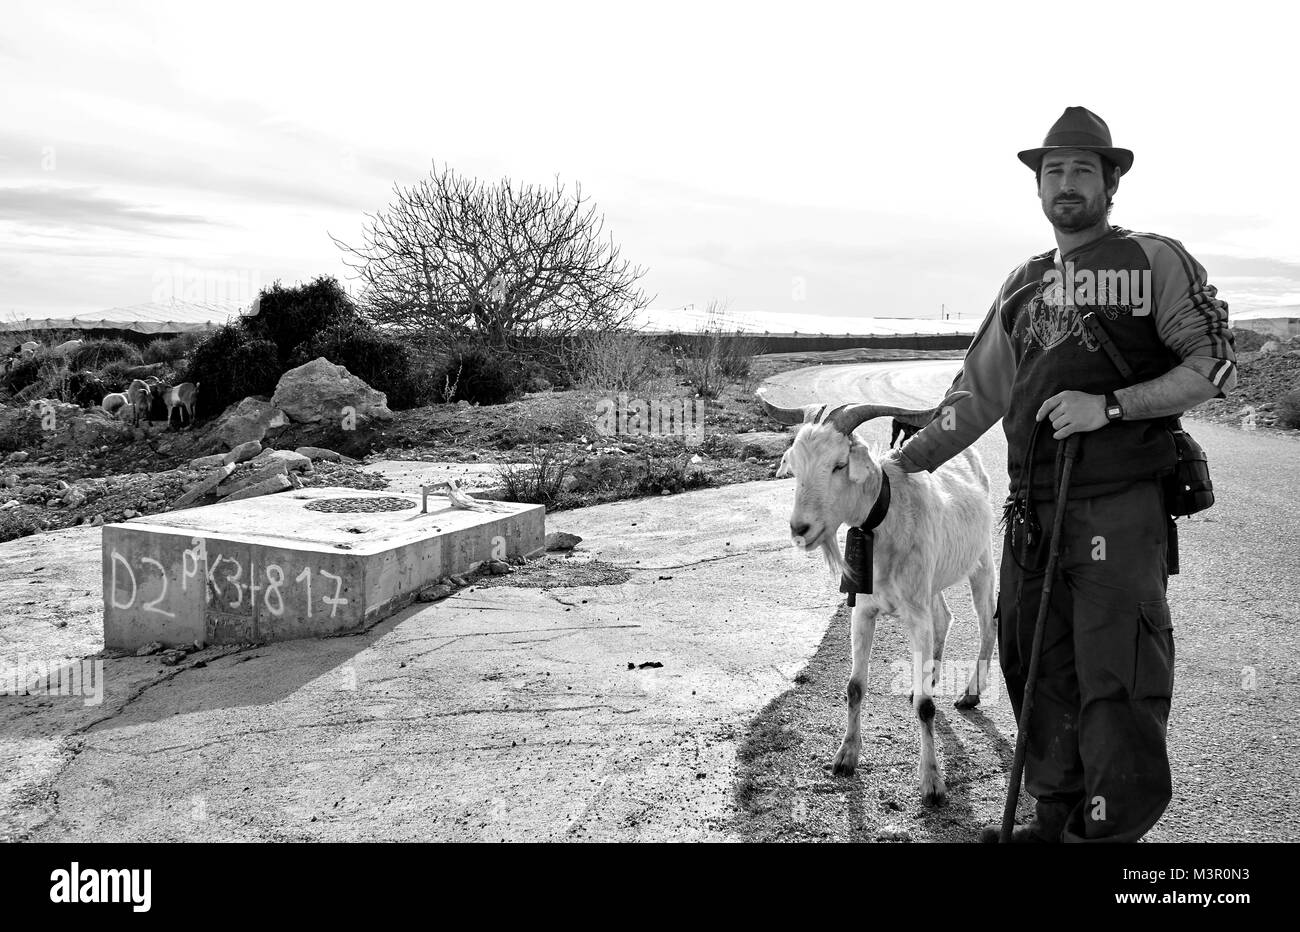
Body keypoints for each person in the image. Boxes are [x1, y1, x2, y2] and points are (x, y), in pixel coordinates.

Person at [891, 106, 1237, 842]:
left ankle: (1104, 838)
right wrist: (903, 463)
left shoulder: (1152, 261)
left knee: (1118, 679)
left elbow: (1212, 366)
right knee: (1035, 668)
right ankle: (1055, 821)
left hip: (1118, 507)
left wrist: (1109, 406)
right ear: (1038, 187)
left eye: (1083, 169)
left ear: (1112, 182)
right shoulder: (1022, 284)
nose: (1067, 183)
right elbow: (976, 397)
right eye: (1054, 171)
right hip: (1031, 515)